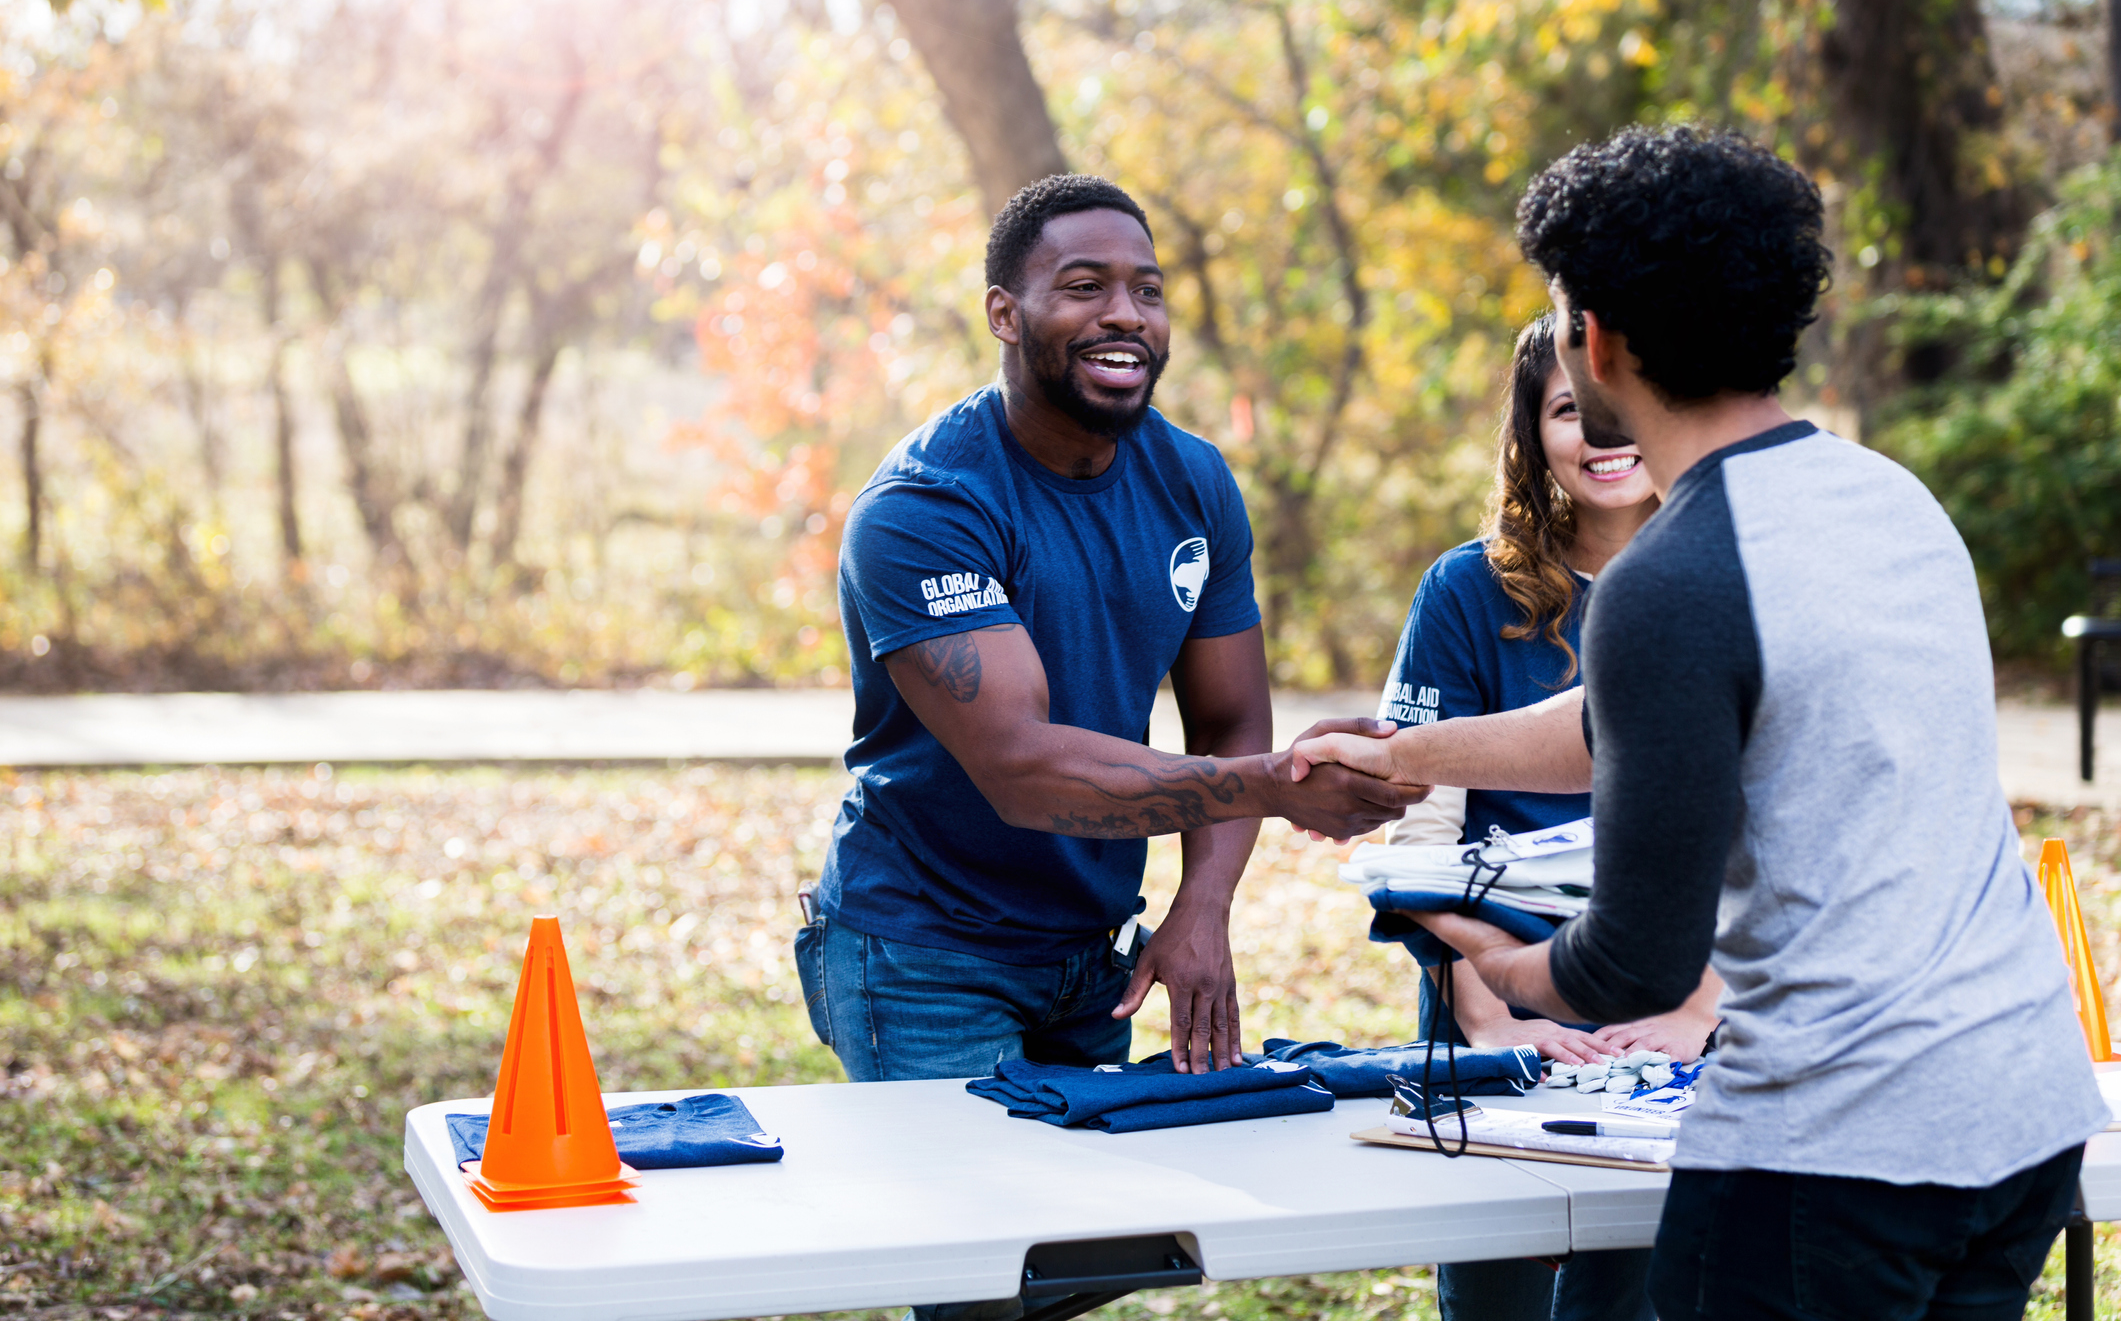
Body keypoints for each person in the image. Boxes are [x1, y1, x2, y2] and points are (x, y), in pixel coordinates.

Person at [1298, 126, 2106, 1320]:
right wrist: (1406, 757)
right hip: (2021, 1116)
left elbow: (1635, 960)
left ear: (1599, 339)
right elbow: (1632, 718)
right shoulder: (1888, 501)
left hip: (1836, 1154)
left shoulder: (1666, 583)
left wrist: (1495, 970)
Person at [797, 174, 1420, 1097]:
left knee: (1099, 1237)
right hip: (926, 953)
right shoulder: (927, 505)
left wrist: (1201, 907)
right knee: (975, 1232)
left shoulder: (1192, 480)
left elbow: (1230, 716)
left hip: (1094, 954)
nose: (1125, 314)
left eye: (1147, 290)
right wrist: (1278, 790)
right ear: (1004, 314)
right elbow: (1020, 765)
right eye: (1085, 287)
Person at [1367, 312, 1714, 1321]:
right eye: (1573, 410)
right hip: (1494, 996)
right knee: (1495, 1290)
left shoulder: (1719, 583)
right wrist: (1489, 1014)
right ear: (1532, 433)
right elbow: (1423, 825)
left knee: (1631, 1293)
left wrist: (1694, 1012)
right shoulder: (1464, 592)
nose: (1605, 438)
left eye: (1623, 411)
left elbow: (1755, 831)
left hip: (1674, 1011)